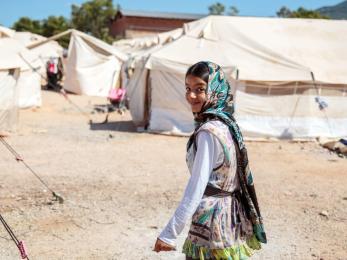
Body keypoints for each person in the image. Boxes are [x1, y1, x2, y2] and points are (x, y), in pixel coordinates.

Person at [153, 61, 267, 259]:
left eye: (200, 89)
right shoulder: (227, 124)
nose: (191, 95)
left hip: (211, 222)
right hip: (230, 219)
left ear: (214, 90)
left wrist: (170, 234)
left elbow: (197, 185)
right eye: (188, 88)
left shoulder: (208, 132)